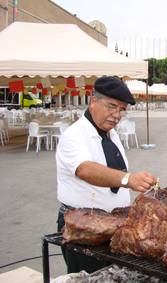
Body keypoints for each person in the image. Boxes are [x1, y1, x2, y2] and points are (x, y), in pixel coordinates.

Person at [56, 76, 157, 273]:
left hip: (113, 225)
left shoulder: (111, 134)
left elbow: (114, 168)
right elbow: (85, 169)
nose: (117, 115)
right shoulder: (75, 135)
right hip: (83, 228)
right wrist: (128, 179)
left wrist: (138, 181)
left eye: (122, 110)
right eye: (111, 106)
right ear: (93, 101)